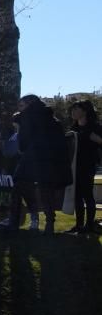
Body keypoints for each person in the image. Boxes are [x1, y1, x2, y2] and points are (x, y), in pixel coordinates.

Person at [6, 95, 71, 235]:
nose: (20, 109)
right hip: (49, 160)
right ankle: (49, 223)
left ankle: (13, 222)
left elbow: (23, 144)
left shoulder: (27, 119)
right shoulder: (52, 120)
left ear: (29, 104)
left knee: (18, 186)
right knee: (45, 190)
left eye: (22, 106)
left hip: (32, 157)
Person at [68, 100, 102, 234]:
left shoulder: (95, 127)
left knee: (87, 195)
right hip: (74, 166)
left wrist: (97, 140)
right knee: (76, 196)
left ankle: (89, 226)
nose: (73, 112)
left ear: (84, 111)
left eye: (76, 109)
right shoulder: (74, 129)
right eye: (73, 109)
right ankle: (79, 225)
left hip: (87, 166)